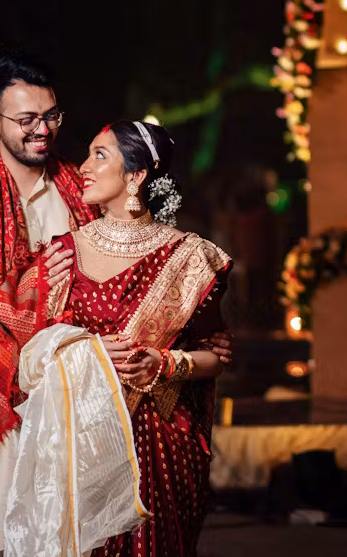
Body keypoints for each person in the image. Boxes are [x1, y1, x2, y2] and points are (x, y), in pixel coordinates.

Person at [0, 55, 230, 557]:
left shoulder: (81, 189)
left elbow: (143, 261)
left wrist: (191, 339)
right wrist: (24, 293)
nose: (42, 130)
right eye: (26, 120)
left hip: (83, 412)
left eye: (51, 116)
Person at [54, 120, 232, 557]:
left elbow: (216, 355)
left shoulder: (190, 256)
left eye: (99, 155)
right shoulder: (62, 252)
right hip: (83, 439)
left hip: (160, 448)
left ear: (135, 176)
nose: (82, 167)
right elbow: (33, 348)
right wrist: (81, 352)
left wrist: (166, 363)